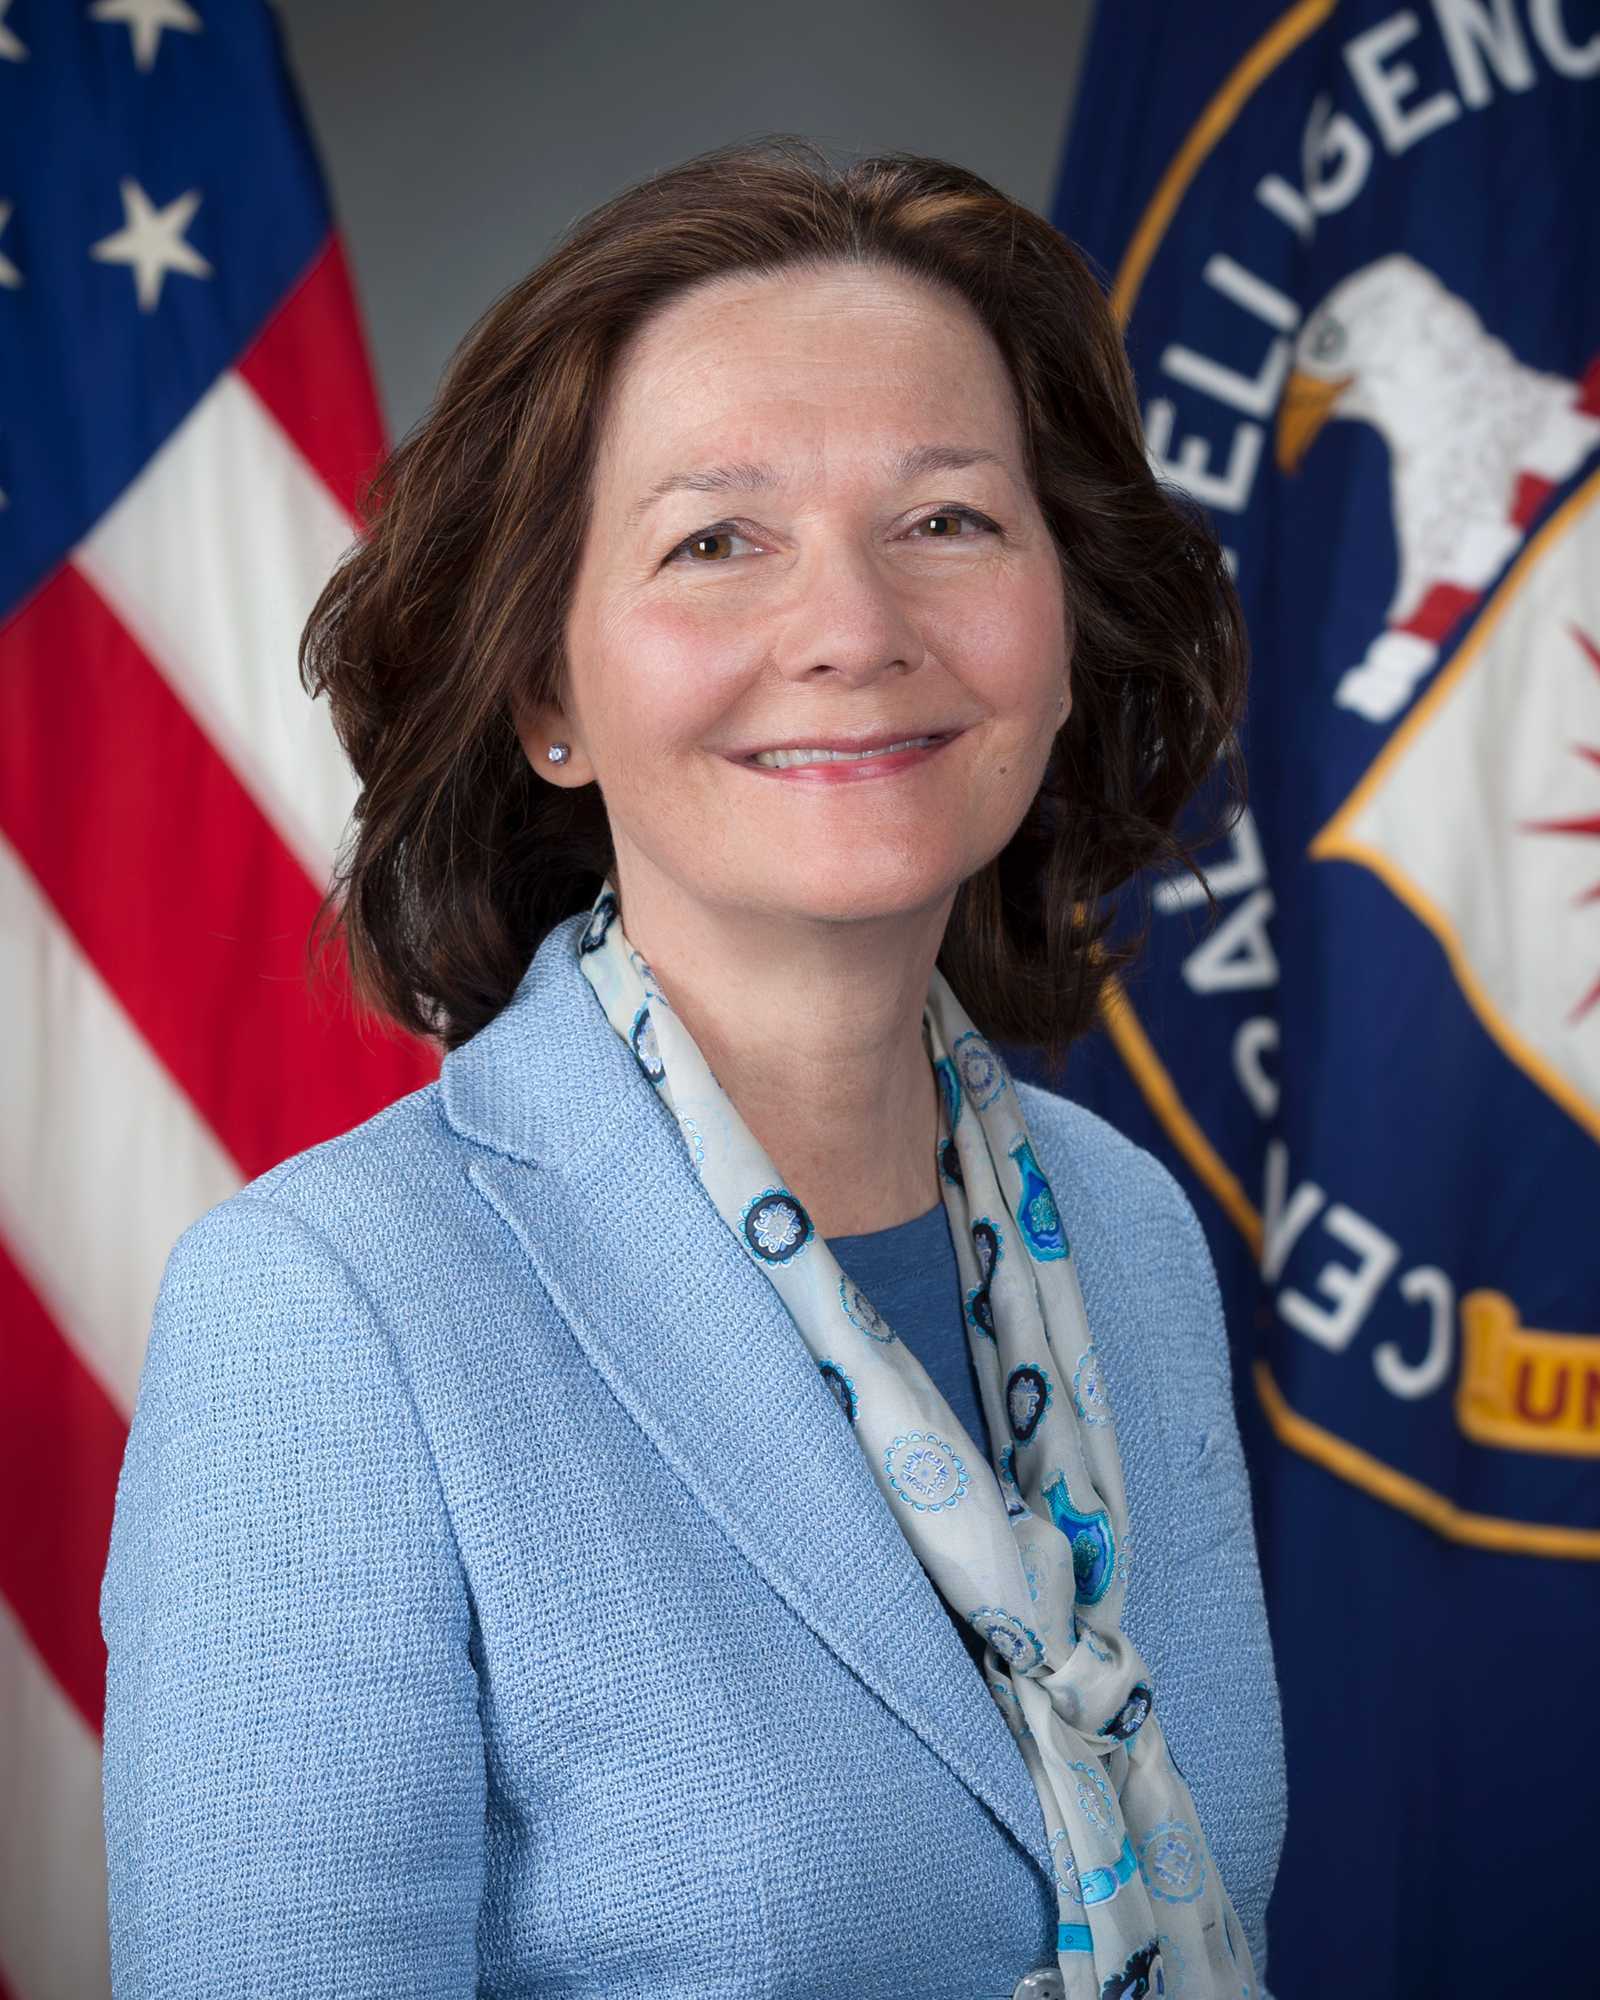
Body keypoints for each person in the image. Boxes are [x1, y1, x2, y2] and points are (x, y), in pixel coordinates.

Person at [100, 135, 1285, 1998]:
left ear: (1066, 629)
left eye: (949, 519)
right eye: (716, 540)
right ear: (546, 693)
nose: (852, 630)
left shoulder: (1127, 1233)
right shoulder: (329, 1308)